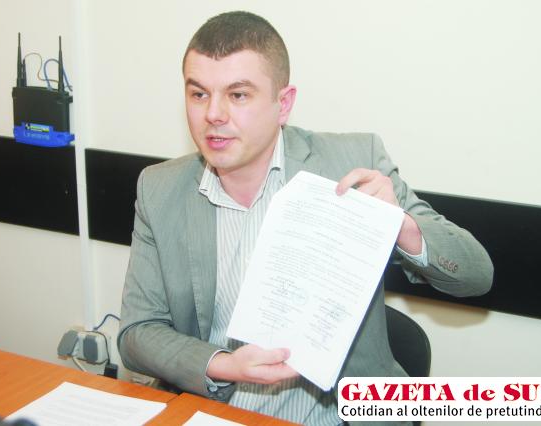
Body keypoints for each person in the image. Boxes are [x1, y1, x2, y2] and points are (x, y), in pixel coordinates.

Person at [118, 10, 493, 425]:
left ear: (283, 104)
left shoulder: (352, 162)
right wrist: (225, 364)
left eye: (238, 95)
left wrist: (401, 225)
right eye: (199, 94)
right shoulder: (159, 189)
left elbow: (476, 275)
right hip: (213, 413)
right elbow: (137, 334)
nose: (213, 114)